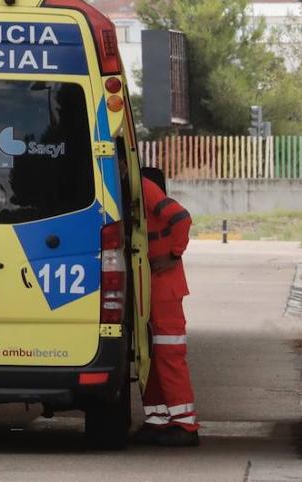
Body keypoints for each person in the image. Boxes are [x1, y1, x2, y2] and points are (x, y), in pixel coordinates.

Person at [135, 171, 200, 446]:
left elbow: (181, 217)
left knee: (169, 354)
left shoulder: (144, 187)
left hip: (164, 288)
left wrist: (174, 253)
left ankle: (185, 424)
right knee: (149, 354)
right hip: (151, 287)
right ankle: (158, 419)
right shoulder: (134, 187)